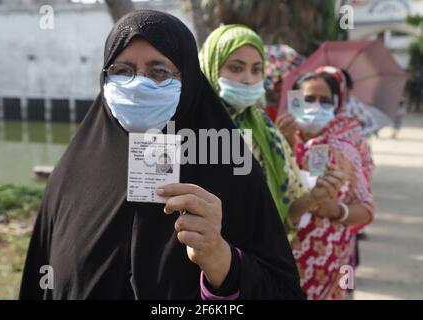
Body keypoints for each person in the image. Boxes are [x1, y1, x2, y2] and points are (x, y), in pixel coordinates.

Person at [19, 10, 304, 300]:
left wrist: (222, 261)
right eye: (122, 70)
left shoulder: (228, 166)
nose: (139, 85)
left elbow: (283, 292)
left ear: (190, 78)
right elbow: (39, 280)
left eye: (159, 71)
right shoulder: (72, 174)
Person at [199, 25, 345, 232]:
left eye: (256, 70)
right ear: (211, 67)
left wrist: (314, 198)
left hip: (252, 258)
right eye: (236, 68)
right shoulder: (187, 129)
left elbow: (287, 215)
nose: (248, 79)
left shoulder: (266, 131)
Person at [277, 66, 375, 299]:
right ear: (295, 101)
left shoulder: (347, 147)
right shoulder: (274, 141)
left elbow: (366, 209)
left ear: (337, 104)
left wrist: (337, 210)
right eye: (309, 99)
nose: (317, 106)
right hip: (283, 262)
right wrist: (285, 145)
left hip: (332, 267)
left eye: (325, 101)